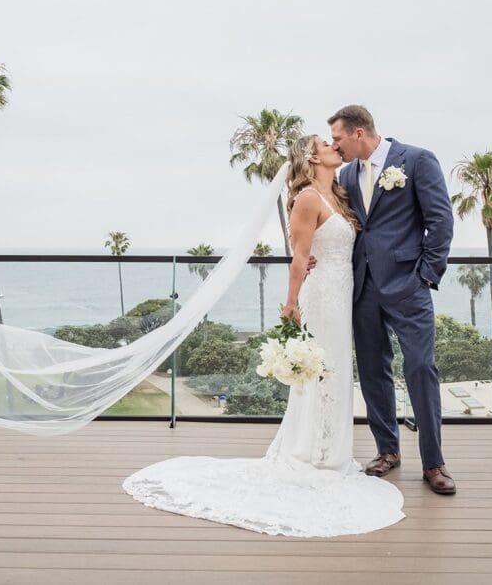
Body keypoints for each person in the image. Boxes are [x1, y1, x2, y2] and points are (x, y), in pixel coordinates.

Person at [122, 135, 405, 537]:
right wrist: (291, 305)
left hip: (343, 296)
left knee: (338, 372)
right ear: (312, 157)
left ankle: (331, 451)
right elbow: (300, 257)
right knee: (322, 372)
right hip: (321, 295)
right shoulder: (307, 198)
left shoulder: (339, 194)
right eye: (326, 143)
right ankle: (314, 452)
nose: (333, 146)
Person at [328, 104, 456, 495]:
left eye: (338, 138)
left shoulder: (416, 160)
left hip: (409, 287)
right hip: (362, 288)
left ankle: (433, 463)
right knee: (372, 371)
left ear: (359, 133)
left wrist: (426, 275)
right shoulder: (347, 174)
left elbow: (441, 220)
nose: (335, 145)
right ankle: (387, 450)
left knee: (420, 368)